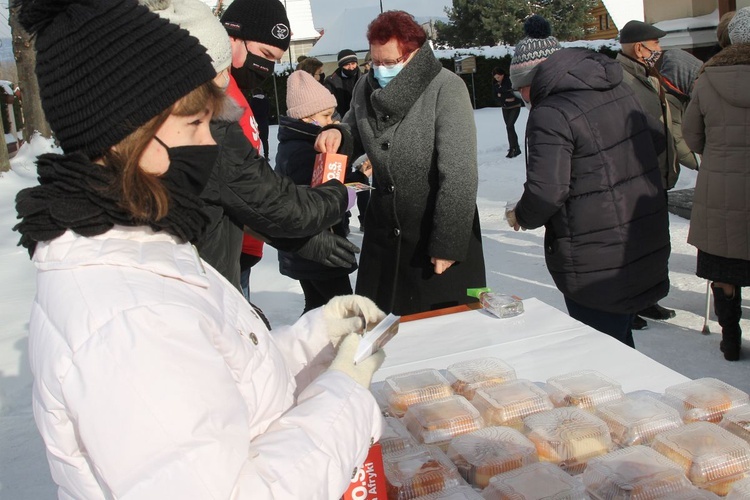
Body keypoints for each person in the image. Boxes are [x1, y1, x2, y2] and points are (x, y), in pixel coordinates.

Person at [14, 0, 386, 497]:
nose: (209, 147)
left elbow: (222, 381)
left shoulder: (149, 245)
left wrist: (312, 339)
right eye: (194, 127)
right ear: (129, 132)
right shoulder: (129, 319)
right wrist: (345, 395)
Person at [146, 0, 358, 308]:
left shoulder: (228, 93)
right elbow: (249, 188)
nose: (268, 67)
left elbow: (242, 191)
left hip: (231, 250)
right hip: (205, 265)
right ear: (230, 38)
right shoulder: (204, 105)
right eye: (266, 55)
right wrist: (335, 196)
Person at [506, 15, 670, 348]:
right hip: (636, 234)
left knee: (602, 350)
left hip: (594, 252)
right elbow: (655, 138)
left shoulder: (551, 111)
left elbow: (547, 191)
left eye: (521, 87)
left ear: (533, 80)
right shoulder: (615, 86)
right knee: (620, 342)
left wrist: (521, 215)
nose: (523, 96)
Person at [316, 10, 486, 315]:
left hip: (433, 232)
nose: (379, 69)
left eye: (389, 62)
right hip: (383, 233)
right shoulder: (363, 88)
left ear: (414, 55)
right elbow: (352, 127)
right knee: (379, 330)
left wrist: (448, 242)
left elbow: (459, 172)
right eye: (375, 61)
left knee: (439, 331)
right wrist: (337, 134)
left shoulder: (446, 88)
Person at [683, 8, 750, 361]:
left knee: (725, 268)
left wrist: (721, 154)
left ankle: (730, 339)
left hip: (720, 188)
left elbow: (692, 137)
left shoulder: (708, 79)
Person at [276, 70, 367, 313]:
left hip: (307, 249)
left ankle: (310, 350)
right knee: (344, 312)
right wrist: (356, 183)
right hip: (321, 248)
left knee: (317, 307)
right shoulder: (305, 151)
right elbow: (321, 198)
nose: (333, 121)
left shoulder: (296, 144)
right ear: (307, 118)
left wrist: (356, 175)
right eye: (326, 115)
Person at [617, 19, 678, 329]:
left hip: (656, 173)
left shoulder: (646, 74)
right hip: (635, 176)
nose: (660, 50)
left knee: (654, 242)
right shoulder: (620, 78)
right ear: (639, 47)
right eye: (656, 45)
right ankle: (630, 306)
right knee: (633, 245)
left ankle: (648, 300)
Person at [658, 49, 702, 171]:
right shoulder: (668, 100)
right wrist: (700, 163)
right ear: (682, 75)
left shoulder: (680, 96)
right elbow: (677, 140)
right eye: (696, 78)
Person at [491, 66, 523, 158]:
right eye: (495, 77)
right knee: (509, 127)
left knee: (510, 125)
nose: (497, 79)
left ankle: (514, 148)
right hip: (505, 107)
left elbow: (512, 93)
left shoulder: (509, 81)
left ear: (503, 75)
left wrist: (502, 95)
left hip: (515, 106)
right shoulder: (495, 84)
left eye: (499, 77)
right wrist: (504, 98)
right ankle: (514, 147)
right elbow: (495, 96)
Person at [324, 48, 361, 118]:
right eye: (346, 65)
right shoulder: (330, 81)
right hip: (341, 119)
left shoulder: (363, 78)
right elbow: (328, 103)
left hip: (360, 117)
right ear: (341, 66)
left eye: (353, 63)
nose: (351, 67)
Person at [249, 87, 270, 159]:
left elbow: (250, 112)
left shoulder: (252, 101)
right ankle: (266, 155)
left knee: (255, 140)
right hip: (264, 122)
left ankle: (256, 156)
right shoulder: (266, 100)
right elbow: (268, 111)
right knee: (265, 140)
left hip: (255, 123)